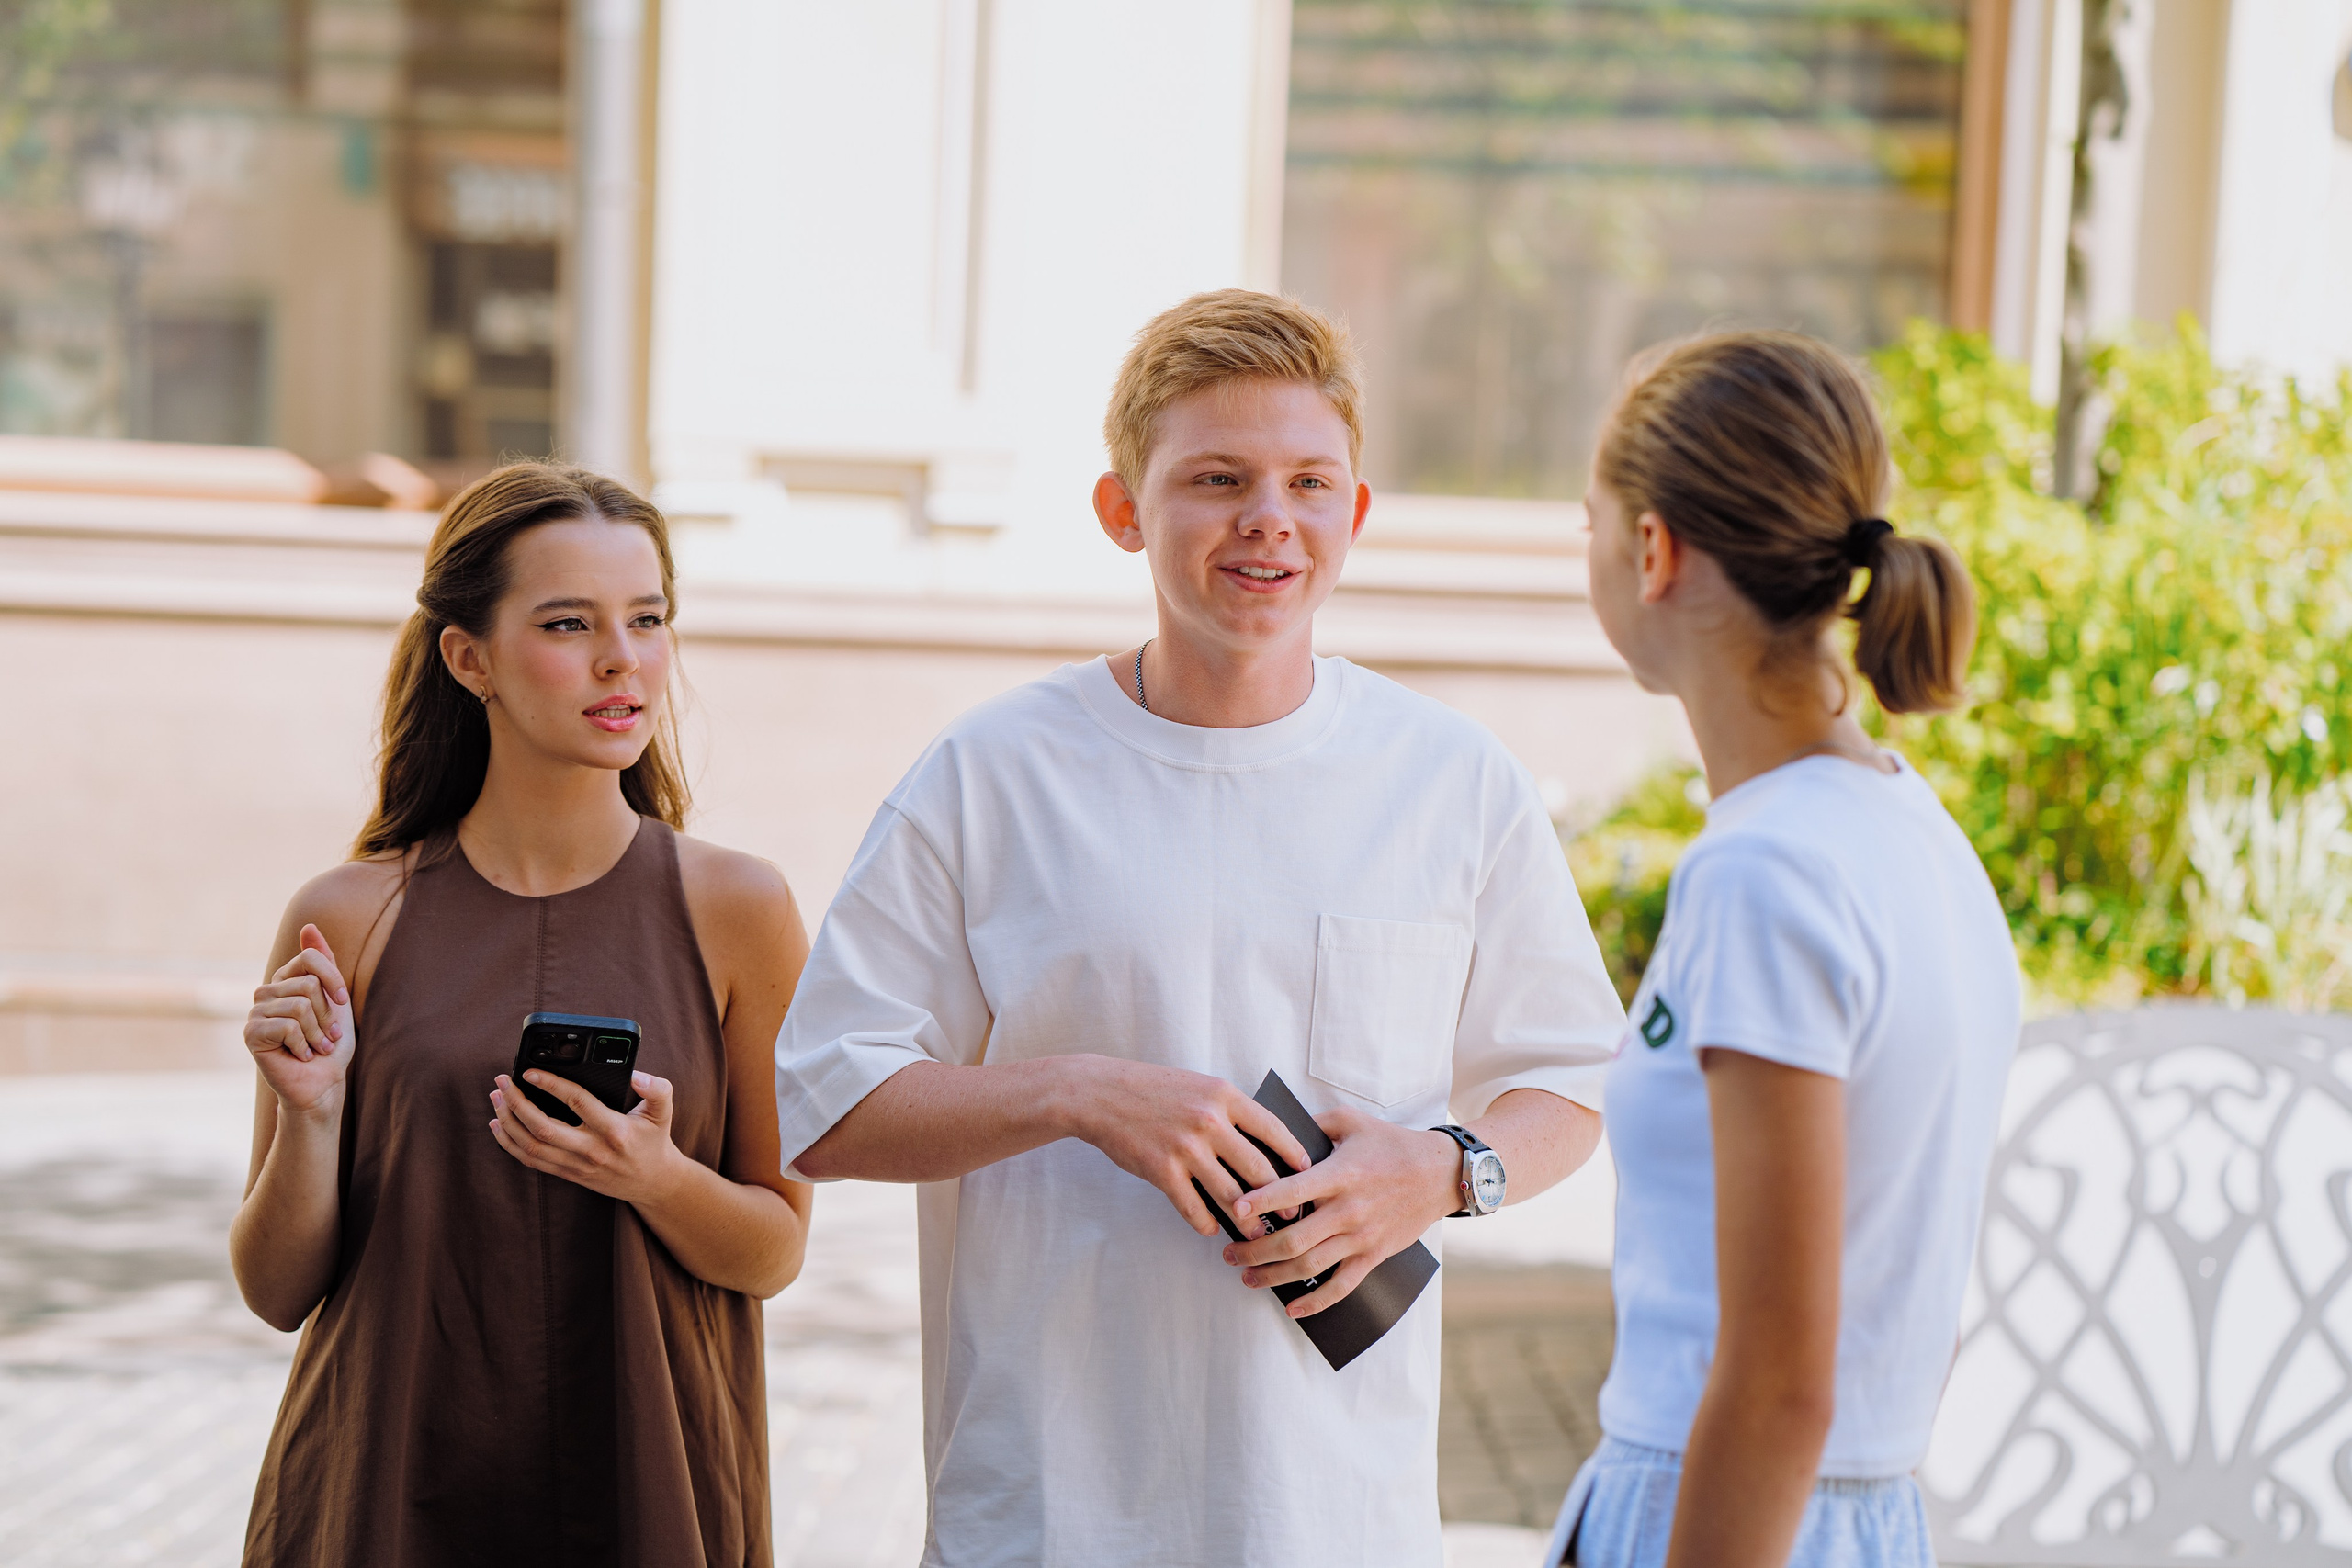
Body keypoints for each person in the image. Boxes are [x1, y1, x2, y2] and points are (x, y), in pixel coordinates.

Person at [774, 288, 1625, 1567]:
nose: (1267, 518)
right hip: (1047, 1512)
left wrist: (1444, 1168)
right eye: (1217, 477)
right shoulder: (993, 773)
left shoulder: (1452, 779)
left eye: (1307, 481)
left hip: (1340, 1517)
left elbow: (1567, 1076)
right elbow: (822, 1105)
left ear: (1356, 512)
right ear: (1124, 508)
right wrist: (1075, 1091)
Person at [231, 463, 812, 1568]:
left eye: (647, 620)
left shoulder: (741, 908)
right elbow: (275, 1288)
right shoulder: (348, 915)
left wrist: (651, 1176)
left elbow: (774, 1248)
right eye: (566, 623)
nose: (621, 659)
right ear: (469, 658)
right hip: (386, 1487)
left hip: (647, 1477)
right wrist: (308, 1116)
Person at [1544, 332, 2021, 1568]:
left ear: (1654, 551)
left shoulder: (1765, 870)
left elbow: (1777, 1380)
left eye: (1590, 520)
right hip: (1856, 1512)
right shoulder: (1910, 827)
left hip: (1730, 1513)